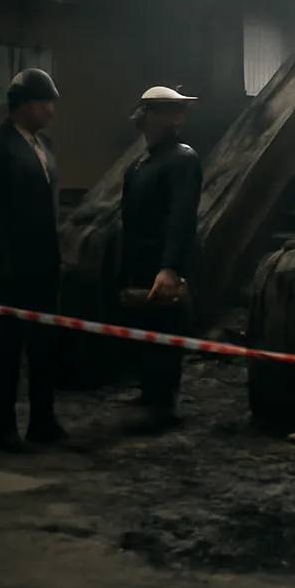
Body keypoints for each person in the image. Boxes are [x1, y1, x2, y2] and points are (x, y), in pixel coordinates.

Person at [0, 68, 66, 452]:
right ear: (23, 106)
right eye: (44, 103)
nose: (51, 110)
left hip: (44, 264)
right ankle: (4, 428)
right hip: (12, 268)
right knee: (8, 350)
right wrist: (1, 262)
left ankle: (43, 420)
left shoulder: (45, 147)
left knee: (44, 347)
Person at [119, 85, 202, 433]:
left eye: (156, 109)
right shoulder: (141, 164)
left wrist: (170, 267)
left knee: (166, 329)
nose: (143, 115)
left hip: (162, 260)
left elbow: (181, 217)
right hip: (140, 259)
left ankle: (165, 400)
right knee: (144, 329)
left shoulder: (181, 159)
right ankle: (150, 391)